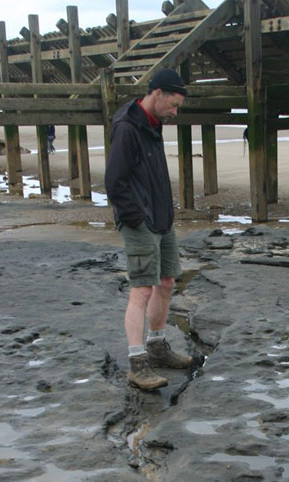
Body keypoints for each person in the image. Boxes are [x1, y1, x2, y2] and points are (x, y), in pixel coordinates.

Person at [105, 69, 192, 391]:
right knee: (142, 289)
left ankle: (158, 346)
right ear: (157, 94)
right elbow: (114, 181)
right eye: (173, 104)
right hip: (139, 220)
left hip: (161, 218)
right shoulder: (128, 127)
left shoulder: (153, 124)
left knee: (166, 282)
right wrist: (137, 218)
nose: (175, 112)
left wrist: (164, 215)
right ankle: (137, 363)